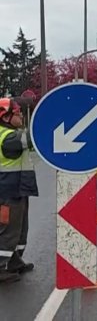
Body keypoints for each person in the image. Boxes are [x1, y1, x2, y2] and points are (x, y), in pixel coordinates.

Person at [0, 98, 38, 284]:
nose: (22, 114)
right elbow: (33, 137)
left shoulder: (9, 134)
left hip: (16, 190)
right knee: (8, 231)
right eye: (18, 112)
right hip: (8, 193)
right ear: (6, 117)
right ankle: (0, 268)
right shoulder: (8, 138)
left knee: (20, 230)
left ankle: (14, 262)